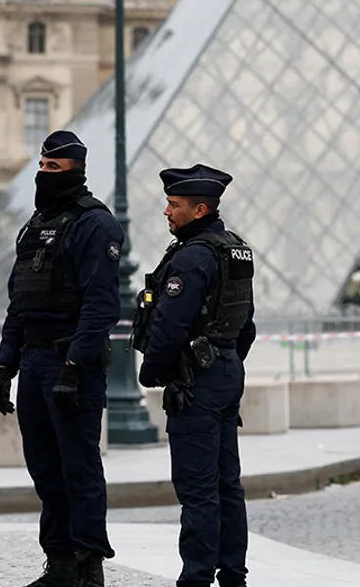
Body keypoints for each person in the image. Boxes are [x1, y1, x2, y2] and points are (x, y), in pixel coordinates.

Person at [0, 130, 122, 587]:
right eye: (42, 167)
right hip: (33, 361)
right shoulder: (33, 225)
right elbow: (18, 302)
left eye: (53, 169)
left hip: (72, 364)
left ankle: (89, 565)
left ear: (76, 172)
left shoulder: (95, 224)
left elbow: (101, 306)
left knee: (79, 467)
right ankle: (60, 562)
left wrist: (74, 367)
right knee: (45, 468)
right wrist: (5, 366)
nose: (43, 175)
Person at [134, 164, 256, 587]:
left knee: (198, 488)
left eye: (174, 204)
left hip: (196, 382)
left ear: (199, 209)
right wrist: (224, 358)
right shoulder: (236, 249)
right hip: (225, 372)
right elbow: (248, 325)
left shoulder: (191, 257)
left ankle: (197, 577)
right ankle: (233, 574)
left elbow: (169, 326)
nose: (166, 211)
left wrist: (152, 373)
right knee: (228, 483)